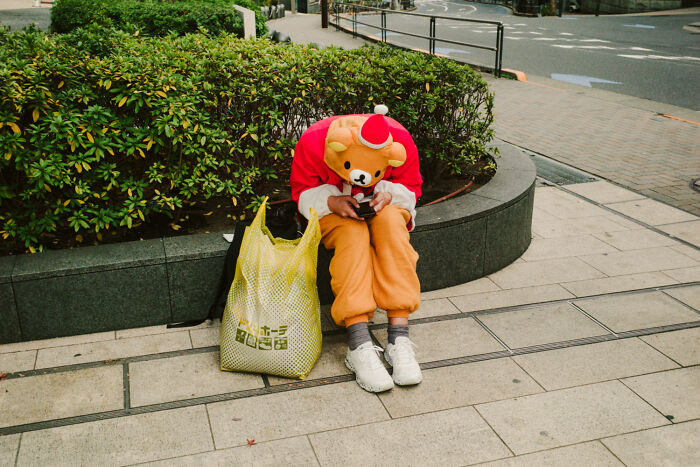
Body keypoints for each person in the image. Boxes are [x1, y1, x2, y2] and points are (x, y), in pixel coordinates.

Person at [290, 105, 423, 392]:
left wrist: (388, 194)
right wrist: (330, 201)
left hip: (384, 203)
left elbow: (409, 187)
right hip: (332, 210)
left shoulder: (399, 141)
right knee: (352, 235)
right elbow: (302, 190)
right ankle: (358, 343)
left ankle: (398, 338)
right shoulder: (314, 141)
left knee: (390, 226)